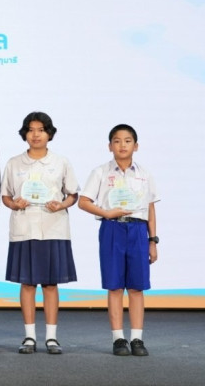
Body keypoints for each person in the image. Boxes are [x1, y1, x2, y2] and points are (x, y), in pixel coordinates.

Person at [0, 112, 79, 355]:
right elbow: (5, 196)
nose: (36, 135)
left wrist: (61, 204)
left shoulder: (61, 162)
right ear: (25, 133)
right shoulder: (14, 163)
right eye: (31, 130)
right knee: (27, 283)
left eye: (41, 130)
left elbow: (73, 194)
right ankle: (29, 337)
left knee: (50, 284)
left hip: (54, 227)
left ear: (49, 134)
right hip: (24, 228)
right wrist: (15, 205)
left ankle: (52, 338)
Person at [77, 124, 159, 357]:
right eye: (117, 141)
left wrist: (152, 240)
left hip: (138, 230)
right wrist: (106, 213)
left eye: (127, 140)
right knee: (114, 286)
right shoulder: (101, 172)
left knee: (136, 287)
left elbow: (150, 209)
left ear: (136, 145)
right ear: (109, 146)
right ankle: (118, 339)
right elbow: (83, 201)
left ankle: (137, 338)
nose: (122, 145)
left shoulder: (144, 174)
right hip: (112, 228)